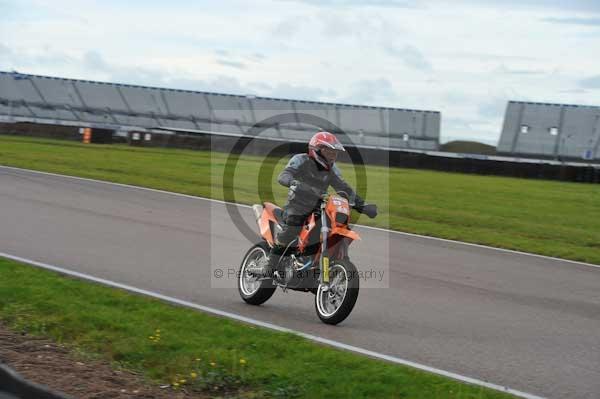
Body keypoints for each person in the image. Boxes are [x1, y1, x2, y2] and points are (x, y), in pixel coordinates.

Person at [260, 131, 378, 277]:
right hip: (297, 205)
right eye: (329, 151)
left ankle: (327, 264)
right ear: (317, 150)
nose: (332, 155)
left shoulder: (332, 170)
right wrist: (295, 183)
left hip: (319, 206)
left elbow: (345, 189)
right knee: (293, 225)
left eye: (334, 152)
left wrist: (363, 206)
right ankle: (270, 265)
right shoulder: (301, 159)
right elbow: (284, 176)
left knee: (337, 226)